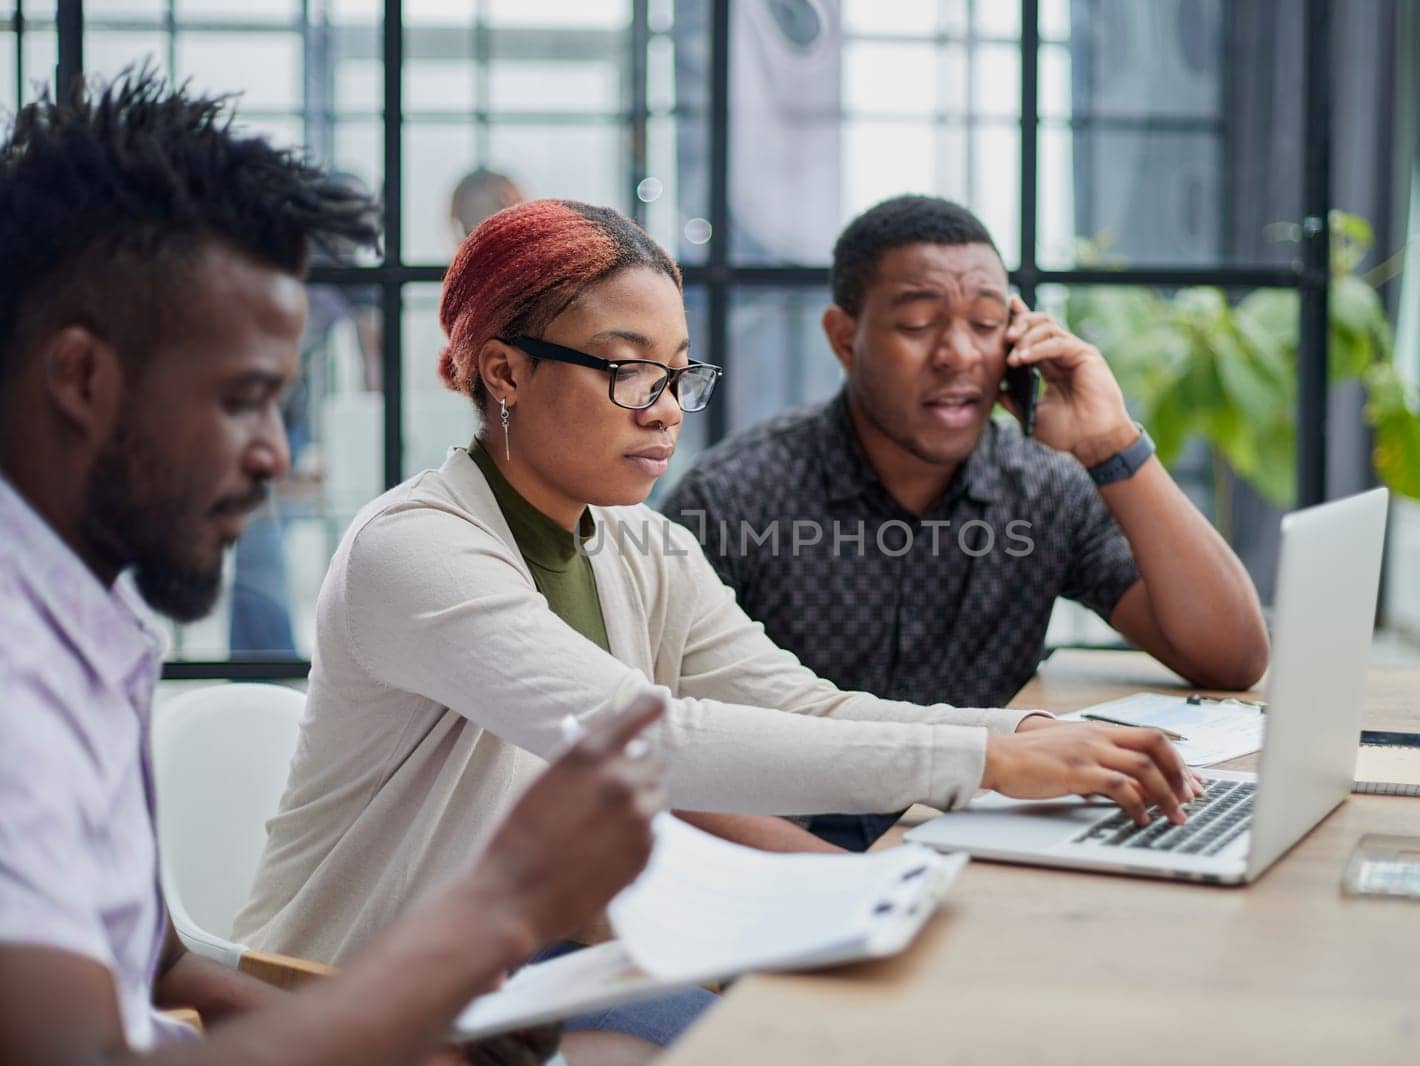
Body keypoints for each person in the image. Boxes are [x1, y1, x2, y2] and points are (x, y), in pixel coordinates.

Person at [235, 197, 1206, 1035]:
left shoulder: (640, 546)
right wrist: (985, 760)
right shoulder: (416, 549)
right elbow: (651, 744)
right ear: (504, 371)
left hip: (531, 980)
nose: (664, 410)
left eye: (679, 375)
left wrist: (1027, 732)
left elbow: (804, 707)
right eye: (628, 370)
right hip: (354, 1001)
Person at [0, 70, 665, 1066]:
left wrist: (411, 1026)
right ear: (83, 377)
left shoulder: (82, 627)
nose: (274, 452)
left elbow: (161, 973)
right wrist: (492, 913)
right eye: (242, 399)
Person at [659, 194, 1270, 850]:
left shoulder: (1043, 487)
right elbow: (646, 752)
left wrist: (1111, 442)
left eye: (985, 324)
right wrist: (850, 877)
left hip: (986, 831)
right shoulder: (734, 498)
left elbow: (1229, 657)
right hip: (788, 854)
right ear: (844, 338)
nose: (958, 354)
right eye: (919, 323)